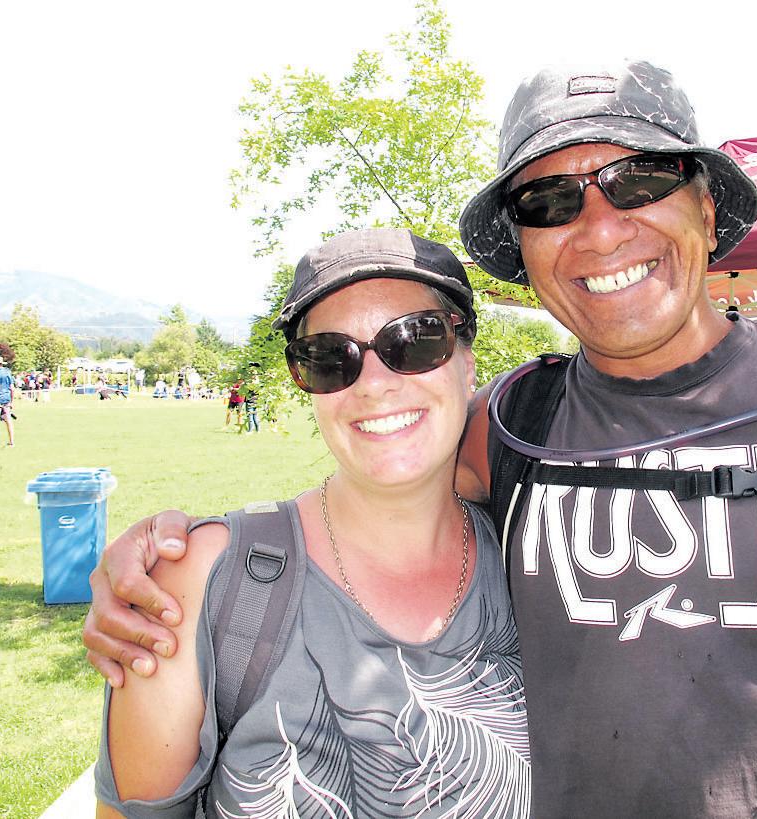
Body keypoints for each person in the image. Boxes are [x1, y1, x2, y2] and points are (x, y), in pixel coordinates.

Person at [85, 61, 757, 815]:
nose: (600, 228)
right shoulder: (507, 428)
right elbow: (377, 483)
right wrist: (170, 558)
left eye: (640, 179)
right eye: (550, 200)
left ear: (705, 200)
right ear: (525, 248)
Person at [94, 228, 530, 816]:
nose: (374, 384)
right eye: (330, 358)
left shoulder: (536, 556)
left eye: (415, 340)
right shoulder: (197, 584)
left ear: (468, 363)